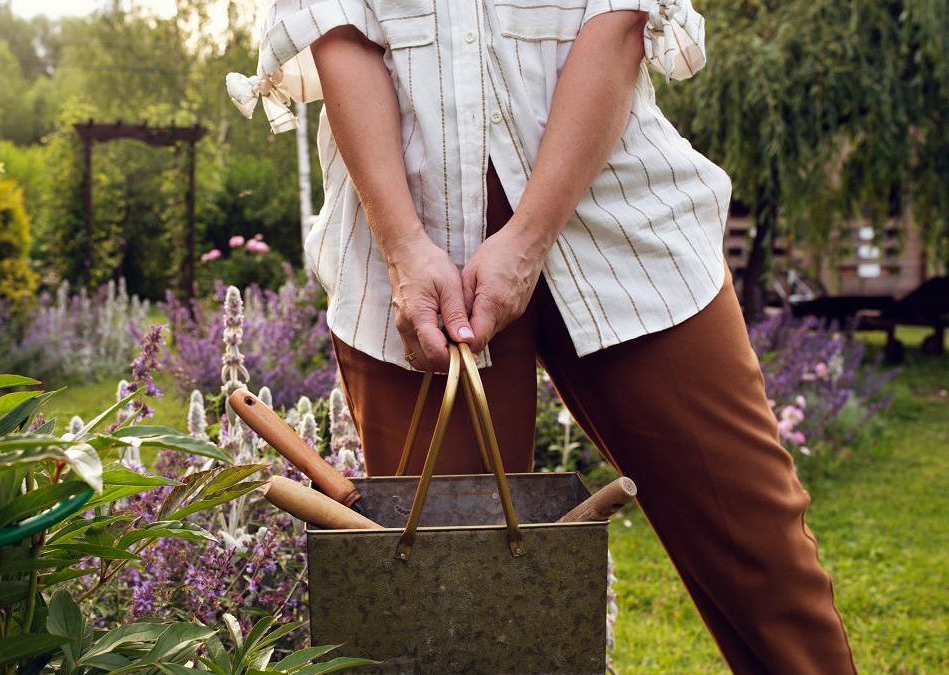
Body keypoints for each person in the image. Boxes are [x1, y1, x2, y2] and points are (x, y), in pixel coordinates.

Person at [227, 1, 856, 672]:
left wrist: (526, 241)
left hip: (622, 217)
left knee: (763, 561)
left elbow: (618, 19)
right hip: (408, 242)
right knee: (447, 606)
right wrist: (404, 247)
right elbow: (338, 31)